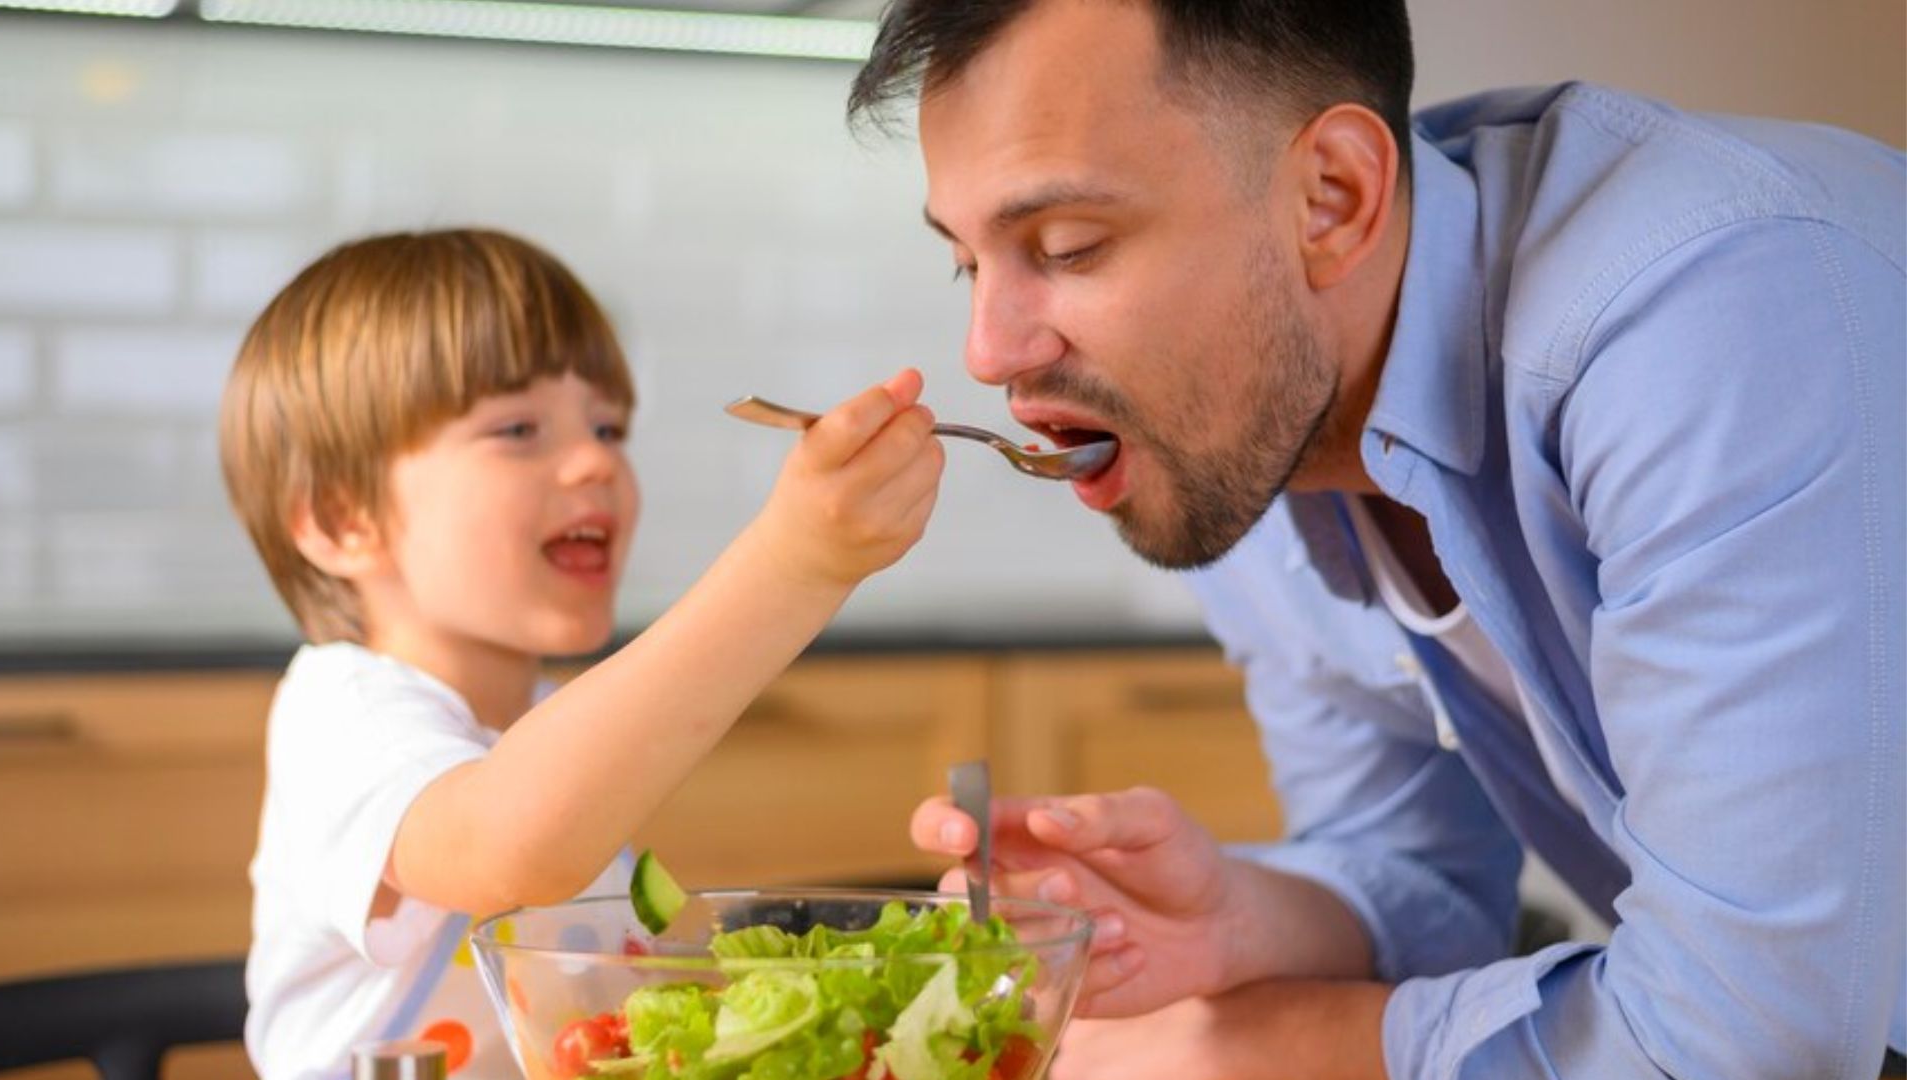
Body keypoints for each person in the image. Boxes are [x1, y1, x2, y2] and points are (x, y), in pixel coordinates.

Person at [847, 0, 1906, 1076]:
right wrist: (1241, 917)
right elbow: (1430, 879)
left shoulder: (1708, 312)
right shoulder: (1243, 434)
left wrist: (1242, 1049)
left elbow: (1753, 1037)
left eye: (1069, 248)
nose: (987, 352)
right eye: (968, 264)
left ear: (1333, 199)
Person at [217, 229, 944, 1079]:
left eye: (608, 426)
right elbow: (511, 846)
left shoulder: (549, 726)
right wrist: (795, 564)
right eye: (519, 428)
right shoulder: (345, 715)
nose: (596, 459)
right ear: (344, 520)